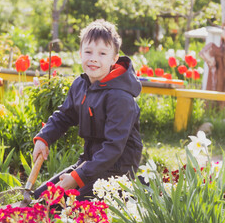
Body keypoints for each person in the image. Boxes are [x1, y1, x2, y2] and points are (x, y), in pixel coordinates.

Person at [32, 19, 143, 201]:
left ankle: (130, 192)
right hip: (89, 164)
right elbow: (64, 116)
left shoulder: (120, 97)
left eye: (102, 53)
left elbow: (113, 147)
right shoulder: (81, 85)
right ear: (80, 53)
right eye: (88, 51)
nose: (93, 58)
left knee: (61, 205)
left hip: (117, 170)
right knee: (42, 198)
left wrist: (77, 177)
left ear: (114, 59)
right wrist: (44, 138)